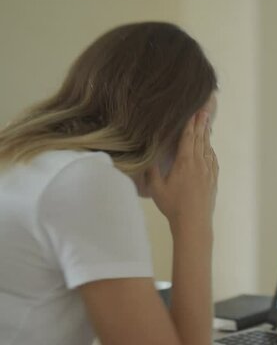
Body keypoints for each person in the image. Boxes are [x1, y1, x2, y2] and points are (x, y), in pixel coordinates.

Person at [0, 22, 219, 345]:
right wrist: (194, 221)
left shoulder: (25, 157)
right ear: (174, 124)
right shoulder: (85, 180)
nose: (204, 154)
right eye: (204, 132)